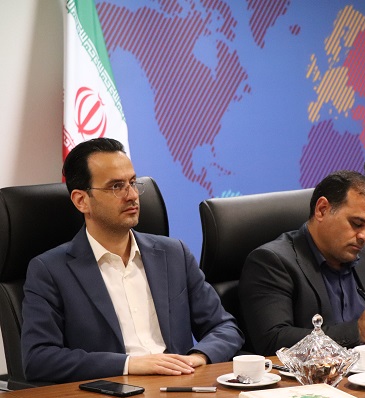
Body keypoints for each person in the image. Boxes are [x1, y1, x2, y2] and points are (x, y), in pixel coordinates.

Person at [21, 138, 244, 383]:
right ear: (81, 200)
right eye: (116, 187)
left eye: (133, 183)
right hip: (115, 390)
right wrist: (129, 364)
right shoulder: (50, 270)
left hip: (180, 385)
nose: (132, 195)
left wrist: (198, 357)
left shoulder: (174, 254)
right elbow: (39, 359)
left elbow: (224, 328)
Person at [239, 170, 365, 356]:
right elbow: (273, 340)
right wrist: (357, 331)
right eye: (357, 224)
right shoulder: (272, 261)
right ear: (322, 210)